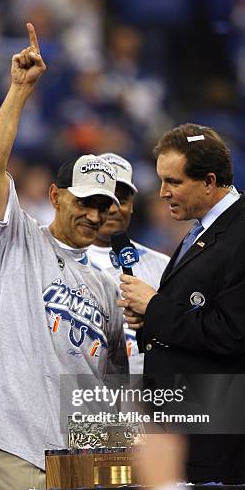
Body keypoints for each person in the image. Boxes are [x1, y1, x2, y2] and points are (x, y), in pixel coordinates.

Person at [0, 23, 128, 490]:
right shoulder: (18, 239)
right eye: (84, 201)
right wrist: (20, 89)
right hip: (16, 437)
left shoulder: (106, 286)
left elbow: (112, 386)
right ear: (56, 196)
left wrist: (111, 461)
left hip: (79, 456)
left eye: (103, 205)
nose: (93, 214)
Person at [119, 123, 245, 483]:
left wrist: (156, 308)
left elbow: (233, 335)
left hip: (218, 441)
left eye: (173, 182)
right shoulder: (204, 229)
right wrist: (151, 320)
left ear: (210, 181)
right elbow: (200, 317)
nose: (162, 193)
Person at [87, 152, 170, 373]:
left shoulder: (162, 267)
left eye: (121, 200)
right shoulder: (60, 258)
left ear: (132, 205)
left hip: (144, 396)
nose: (113, 208)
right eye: (105, 199)